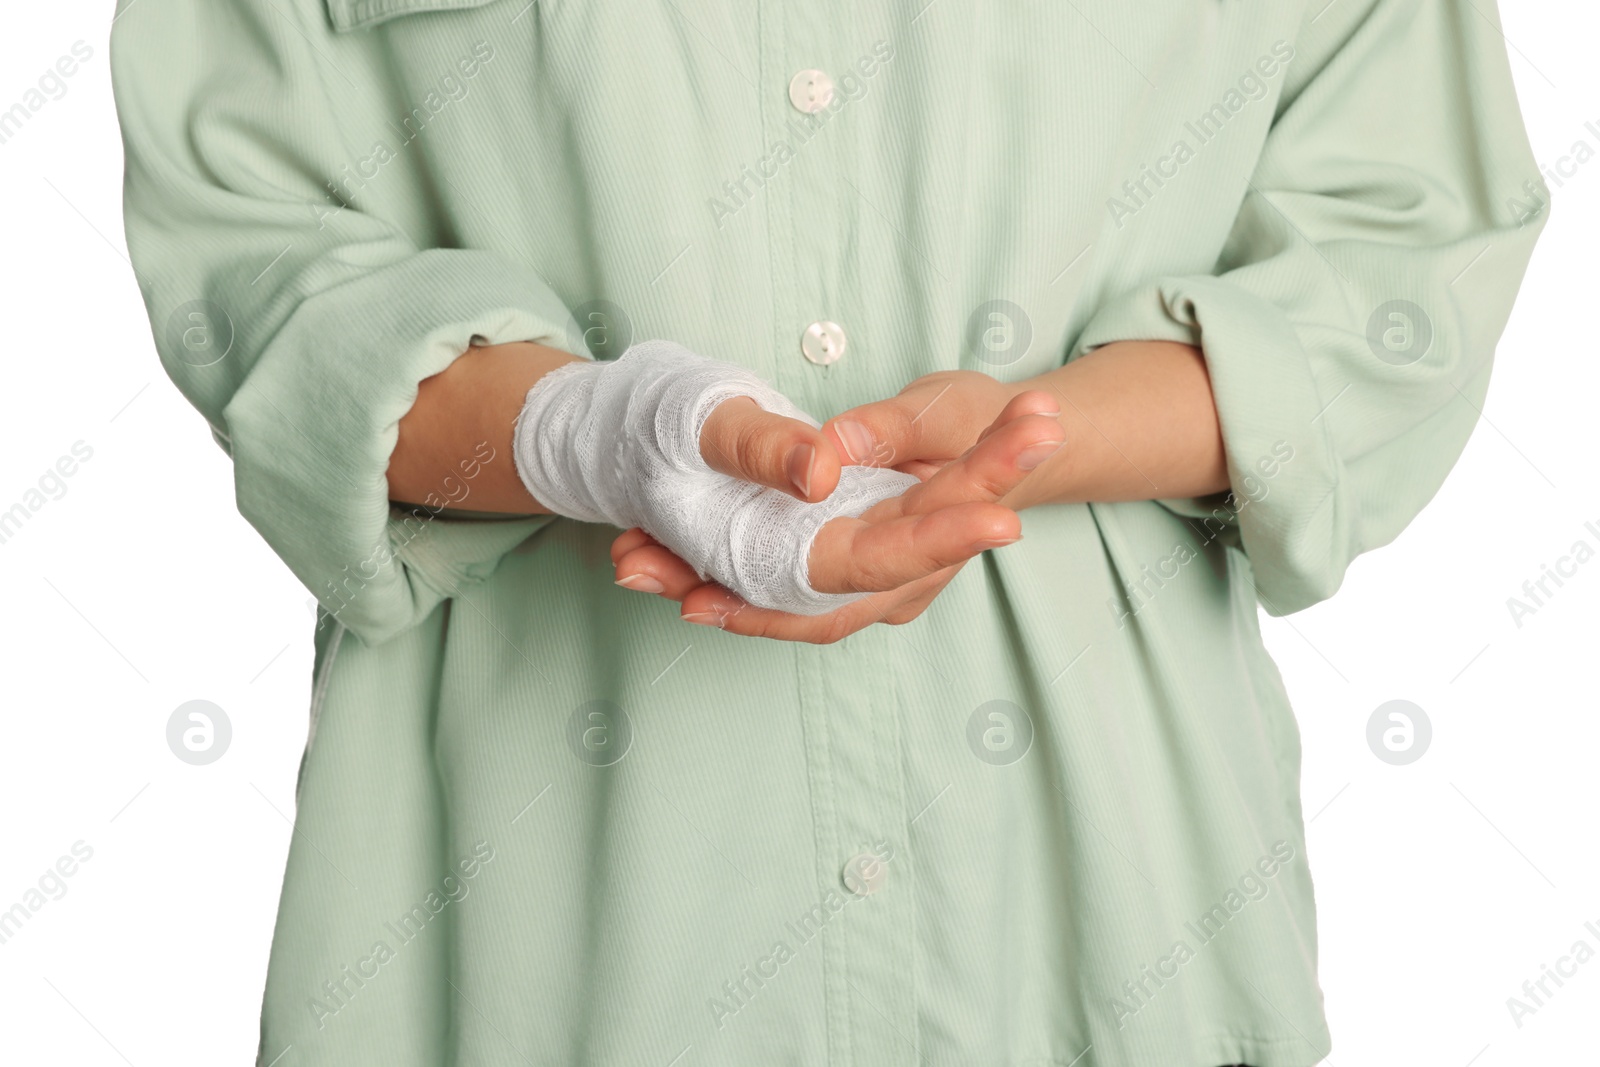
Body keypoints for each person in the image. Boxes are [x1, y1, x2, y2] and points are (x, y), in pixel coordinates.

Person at [110, 1, 1545, 1064]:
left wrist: (1021, 446)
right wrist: (596, 433)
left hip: (1108, 929)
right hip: (525, 939)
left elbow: (1400, 260)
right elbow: (257, 269)